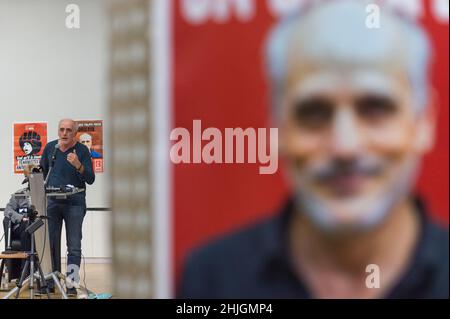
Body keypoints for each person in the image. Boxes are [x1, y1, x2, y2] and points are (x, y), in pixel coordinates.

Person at [179, 1, 448, 299]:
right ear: (277, 126)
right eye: (314, 113)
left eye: (375, 109)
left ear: (424, 122)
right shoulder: (214, 280)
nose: (344, 147)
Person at [40, 119, 95, 296]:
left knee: (73, 246)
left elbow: (91, 179)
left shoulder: (82, 150)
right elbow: (42, 173)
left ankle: (71, 284)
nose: (64, 133)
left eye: (69, 130)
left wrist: (78, 165)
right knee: (50, 245)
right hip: (53, 203)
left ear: (75, 133)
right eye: (62, 129)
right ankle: (50, 282)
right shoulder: (50, 149)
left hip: (75, 204)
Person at [2, 165, 34, 280]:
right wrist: (21, 218)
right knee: (27, 226)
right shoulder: (20, 194)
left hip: (39, 228)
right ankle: (24, 272)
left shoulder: (43, 195)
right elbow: (8, 210)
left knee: (31, 226)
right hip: (23, 226)